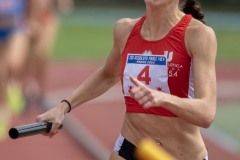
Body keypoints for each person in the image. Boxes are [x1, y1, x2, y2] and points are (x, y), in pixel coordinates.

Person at [36, 0, 217, 159]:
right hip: (132, 149)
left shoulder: (198, 35)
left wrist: (163, 99)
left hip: (182, 156)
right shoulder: (125, 30)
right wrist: (63, 107)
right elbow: (107, 75)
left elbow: (206, 113)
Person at [23, 0, 73, 110]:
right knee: (24, 58)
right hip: (26, 17)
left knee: (41, 54)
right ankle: (24, 91)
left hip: (46, 16)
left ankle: (41, 94)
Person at [0, 0, 31, 140]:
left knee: (13, 64)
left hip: (16, 27)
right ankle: (3, 110)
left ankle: (14, 84)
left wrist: (31, 20)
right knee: (1, 70)